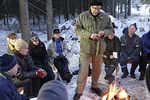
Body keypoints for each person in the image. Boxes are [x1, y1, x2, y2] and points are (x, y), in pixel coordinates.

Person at [73, 0, 113, 99]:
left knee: (97, 69)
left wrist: (104, 32)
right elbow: (77, 29)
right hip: (86, 48)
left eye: (98, 8)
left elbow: (111, 29)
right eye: (94, 8)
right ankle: (79, 91)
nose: (96, 11)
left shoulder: (105, 17)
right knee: (83, 70)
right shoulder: (83, 16)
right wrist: (89, 35)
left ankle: (95, 86)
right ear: (90, 7)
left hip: (99, 49)